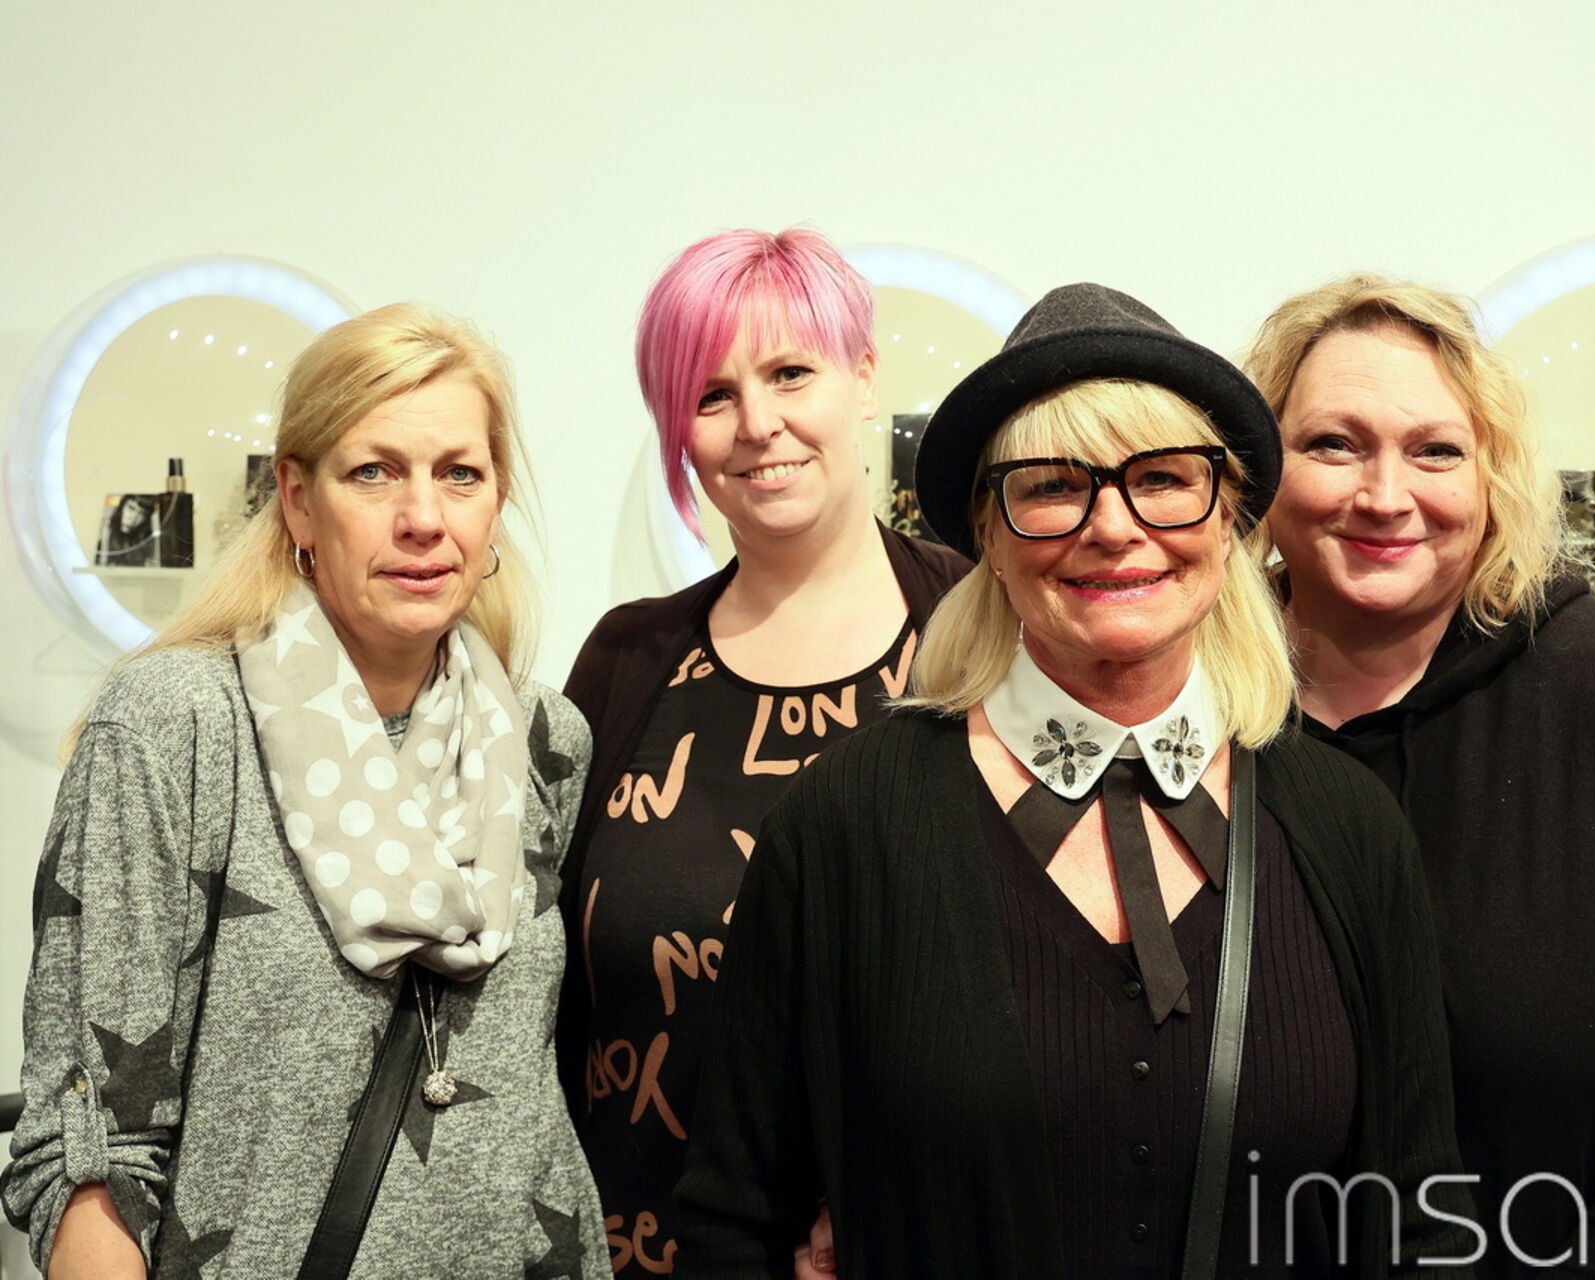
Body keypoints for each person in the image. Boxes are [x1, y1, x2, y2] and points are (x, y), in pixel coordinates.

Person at [673, 284, 1478, 1279]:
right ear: (988, 532)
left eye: (1164, 478)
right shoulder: (846, 822)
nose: (1114, 526)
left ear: (1228, 514)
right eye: (1053, 486)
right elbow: (733, 1223)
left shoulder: (1347, 826)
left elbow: (1419, 1221)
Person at [0, 303, 609, 1278]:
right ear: (297, 499)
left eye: (460, 472)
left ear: (495, 500)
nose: (424, 517)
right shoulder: (175, 724)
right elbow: (92, 1145)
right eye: (374, 471)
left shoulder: (547, 740)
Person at [1243, 274, 1595, 1277]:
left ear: (1494, 474)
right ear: (1257, 470)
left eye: (1436, 450)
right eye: (1334, 443)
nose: (1386, 495)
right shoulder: (1195, 707)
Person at [556, 227, 969, 1276]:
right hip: (629, 1248)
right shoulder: (626, 660)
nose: (757, 424)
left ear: (864, 378)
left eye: (791, 373)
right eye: (712, 394)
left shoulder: (981, 633)